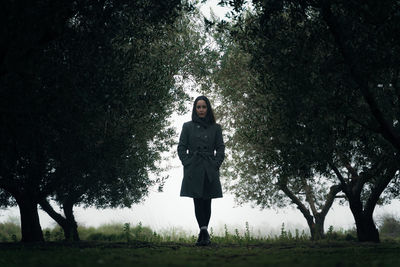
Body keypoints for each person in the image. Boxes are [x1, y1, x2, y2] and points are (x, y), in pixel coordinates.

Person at [177, 95, 225, 246]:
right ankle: (204, 233)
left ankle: (203, 234)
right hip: (194, 168)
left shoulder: (216, 128)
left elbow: (221, 148)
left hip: (210, 167)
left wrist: (216, 164)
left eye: (204, 107)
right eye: (198, 107)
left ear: (208, 108)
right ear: (195, 109)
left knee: (207, 201)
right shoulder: (187, 126)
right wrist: (187, 162)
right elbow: (181, 147)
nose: (201, 110)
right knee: (197, 201)